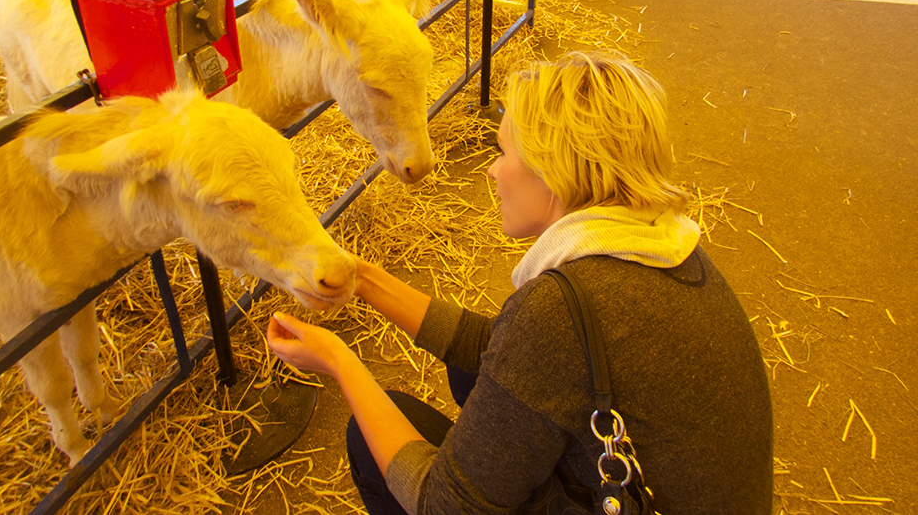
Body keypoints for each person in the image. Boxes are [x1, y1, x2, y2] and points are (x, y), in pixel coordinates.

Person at [267, 51, 774, 514]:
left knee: (371, 434)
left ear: (550, 172)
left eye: (503, 151)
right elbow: (511, 355)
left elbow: (443, 506)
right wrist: (367, 280)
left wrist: (339, 361)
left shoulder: (559, 308)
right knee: (474, 373)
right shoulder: (664, 244)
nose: (491, 170)